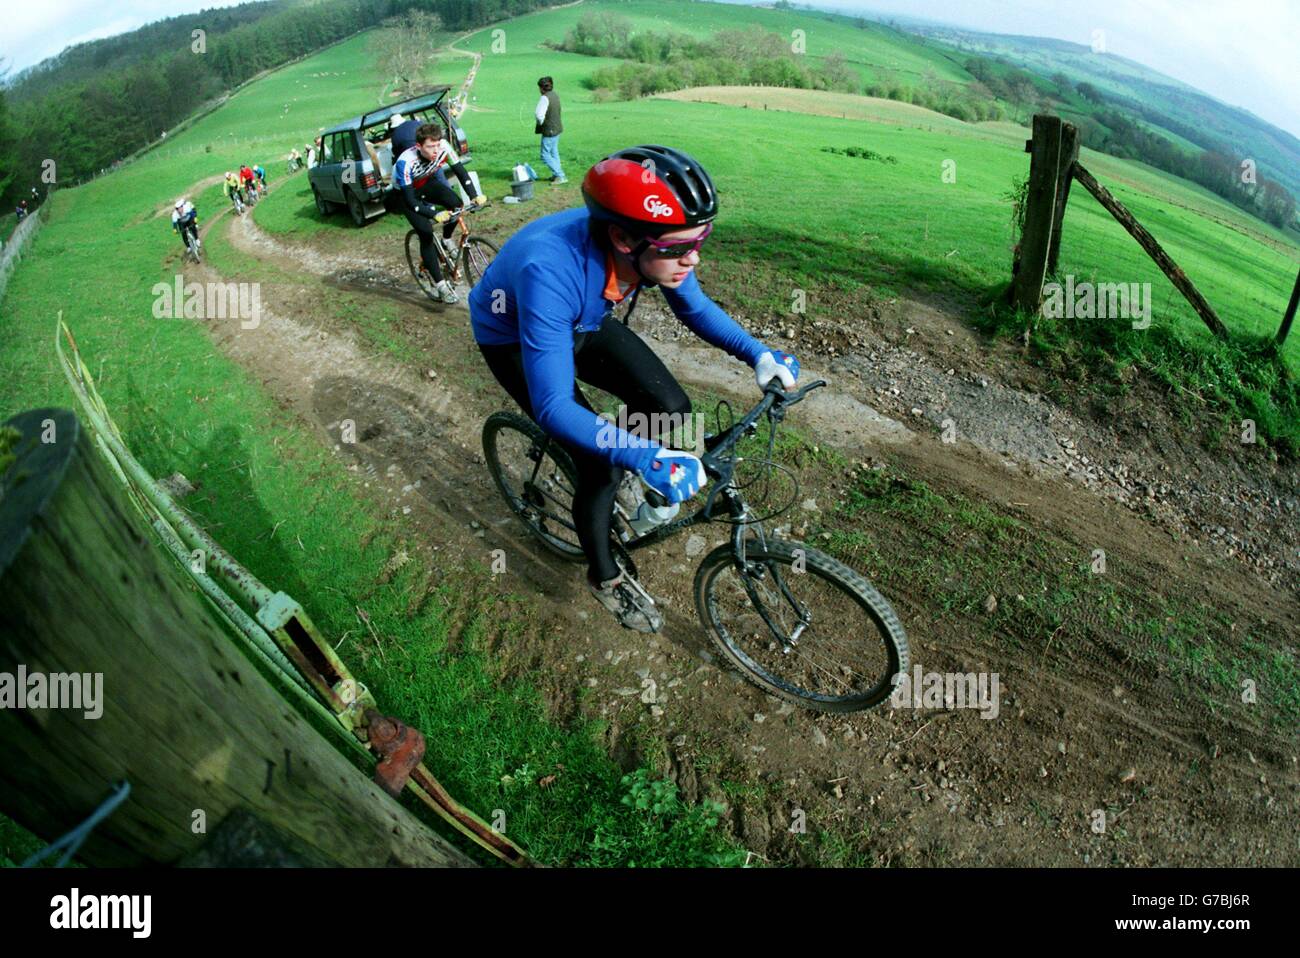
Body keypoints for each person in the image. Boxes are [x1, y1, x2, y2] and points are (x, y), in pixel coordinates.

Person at [467, 145, 799, 631]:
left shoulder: (655, 248)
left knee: (670, 405)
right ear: (622, 237)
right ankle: (605, 577)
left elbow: (694, 307)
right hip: (515, 335)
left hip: (582, 315)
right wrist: (644, 456)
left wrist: (759, 354)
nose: (693, 257)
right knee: (598, 467)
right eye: (679, 248)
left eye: (700, 240)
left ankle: (629, 469)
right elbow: (555, 405)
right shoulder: (550, 269)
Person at [387, 122, 485, 304]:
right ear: (419, 146)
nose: (435, 150)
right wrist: (433, 215)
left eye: (437, 144)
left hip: (425, 182)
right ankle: (440, 286)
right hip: (405, 194)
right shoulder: (405, 162)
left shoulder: (444, 147)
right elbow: (410, 200)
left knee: (456, 204)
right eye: (430, 146)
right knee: (425, 232)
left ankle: (447, 239)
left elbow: (462, 173)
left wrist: (474, 196)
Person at [534, 76, 566, 184]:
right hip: (557, 128)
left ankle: (560, 176)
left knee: (545, 155)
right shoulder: (555, 95)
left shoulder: (544, 98)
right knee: (553, 152)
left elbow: (539, 115)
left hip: (550, 130)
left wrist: (540, 123)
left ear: (541, 88)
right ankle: (556, 175)